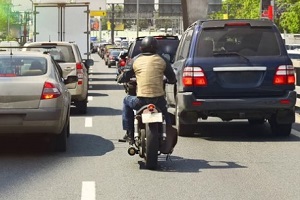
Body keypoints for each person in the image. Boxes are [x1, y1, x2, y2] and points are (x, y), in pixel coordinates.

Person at [117, 36, 177, 142]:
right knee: (165, 113)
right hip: (159, 101)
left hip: (140, 101)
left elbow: (125, 76)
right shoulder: (162, 60)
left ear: (141, 48)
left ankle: (129, 133)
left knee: (126, 101)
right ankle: (168, 132)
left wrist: (119, 78)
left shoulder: (135, 60)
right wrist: (168, 81)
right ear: (157, 48)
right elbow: (172, 78)